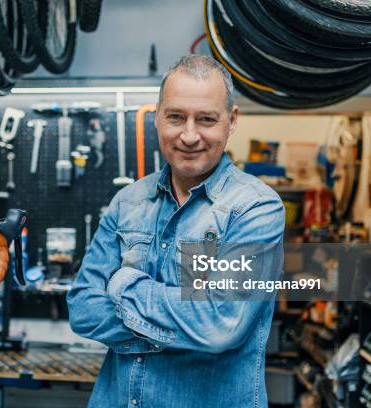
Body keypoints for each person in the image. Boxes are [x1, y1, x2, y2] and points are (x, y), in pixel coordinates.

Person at [67, 55, 285, 408]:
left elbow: (219, 325)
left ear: (231, 122)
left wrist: (123, 285)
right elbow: (83, 309)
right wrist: (182, 330)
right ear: (157, 118)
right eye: (176, 117)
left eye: (207, 119)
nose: (189, 135)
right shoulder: (128, 202)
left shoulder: (256, 208)